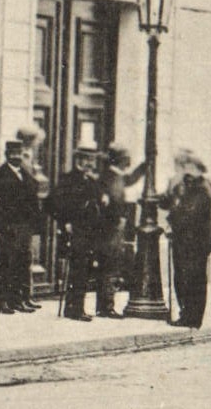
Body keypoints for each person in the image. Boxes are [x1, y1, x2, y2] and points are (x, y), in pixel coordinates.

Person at [160, 150, 211, 330]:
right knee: (185, 278)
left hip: (194, 241)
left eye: (180, 165)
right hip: (188, 240)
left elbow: (188, 212)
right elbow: (166, 203)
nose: (178, 169)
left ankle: (191, 318)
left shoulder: (201, 186)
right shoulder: (186, 184)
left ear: (190, 166)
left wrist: (173, 223)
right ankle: (187, 315)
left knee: (191, 280)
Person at [48, 133, 102, 320]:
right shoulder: (68, 179)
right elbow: (52, 203)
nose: (90, 163)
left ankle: (77, 307)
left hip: (90, 232)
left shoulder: (92, 181)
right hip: (75, 231)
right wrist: (65, 222)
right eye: (87, 159)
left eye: (92, 160)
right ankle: (73, 309)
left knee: (85, 271)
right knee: (77, 270)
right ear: (79, 159)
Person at [0, 138, 43, 315]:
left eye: (20, 154)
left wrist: (35, 228)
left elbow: (34, 203)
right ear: (6, 155)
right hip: (7, 228)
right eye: (13, 154)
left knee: (23, 262)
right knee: (5, 263)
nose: (17, 157)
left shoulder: (27, 175)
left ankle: (21, 299)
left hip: (24, 227)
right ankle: (0, 300)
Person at [96, 146, 146, 318]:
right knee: (110, 266)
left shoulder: (115, 175)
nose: (128, 162)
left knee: (111, 266)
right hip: (110, 229)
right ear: (120, 160)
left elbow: (130, 179)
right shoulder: (109, 177)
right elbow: (109, 203)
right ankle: (105, 306)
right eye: (126, 158)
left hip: (114, 228)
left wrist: (145, 165)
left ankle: (106, 304)